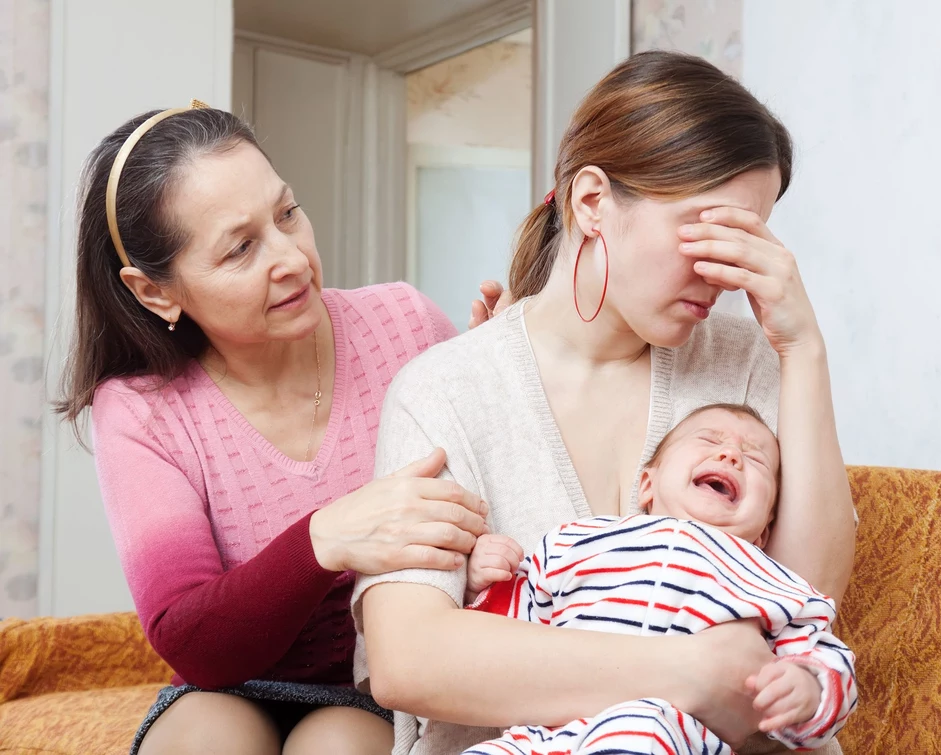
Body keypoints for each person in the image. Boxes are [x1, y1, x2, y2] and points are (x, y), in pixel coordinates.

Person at [355, 50, 857, 755]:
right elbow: (410, 658)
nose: (723, 271)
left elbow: (804, 598)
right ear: (592, 202)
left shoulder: (749, 359)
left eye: (747, 239)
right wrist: (689, 670)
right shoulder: (445, 390)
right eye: (708, 229)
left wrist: (804, 350)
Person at [56, 101, 503, 755]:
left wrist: (502, 389)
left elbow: (494, 510)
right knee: (208, 738)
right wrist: (326, 538)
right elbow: (192, 640)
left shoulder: (404, 322)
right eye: (240, 248)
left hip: (379, 685)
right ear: (156, 292)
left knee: (338, 743)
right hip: (226, 684)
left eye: (288, 213)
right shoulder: (143, 408)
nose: (291, 257)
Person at [463, 404, 858, 755]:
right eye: (708, 439)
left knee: (641, 731)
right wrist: (486, 582)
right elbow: (517, 623)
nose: (731, 454)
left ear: (763, 533)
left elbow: (824, 654)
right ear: (648, 484)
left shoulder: (769, 579)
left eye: (755, 460)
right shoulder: (578, 539)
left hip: (661, 731)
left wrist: (808, 690)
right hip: (539, 732)